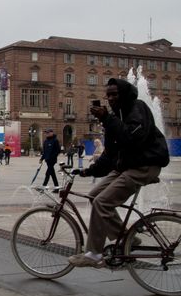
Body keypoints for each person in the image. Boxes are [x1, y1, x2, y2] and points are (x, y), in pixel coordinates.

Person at [68, 78, 170, 268]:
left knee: (102, 202)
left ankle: (94, 254)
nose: (111, 98)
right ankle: (126, 237)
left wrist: (107, 119)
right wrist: (87, 171)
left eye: (115, 94)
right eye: (108, 95)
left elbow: (132, 137)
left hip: (145, 165)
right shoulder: (116, 117)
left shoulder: (137, 108)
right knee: (94, 196)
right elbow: (110, 154)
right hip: (128, 166)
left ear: (124, 94)